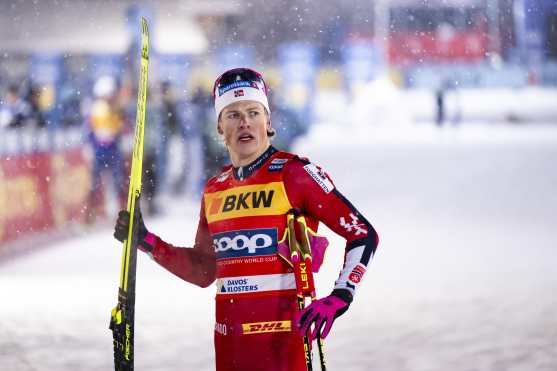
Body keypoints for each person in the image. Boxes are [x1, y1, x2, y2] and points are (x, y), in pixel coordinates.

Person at [113, 68, 379, 370]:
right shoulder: (215, 189)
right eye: (233, 115)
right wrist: (147, 242)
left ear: (268, 121)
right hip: (230, 350)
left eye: (254, 112)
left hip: (284, 351)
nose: (245, 123)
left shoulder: (296, 175)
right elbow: (203, 270)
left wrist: (341, 295)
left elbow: (363, 234)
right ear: (219, 127)